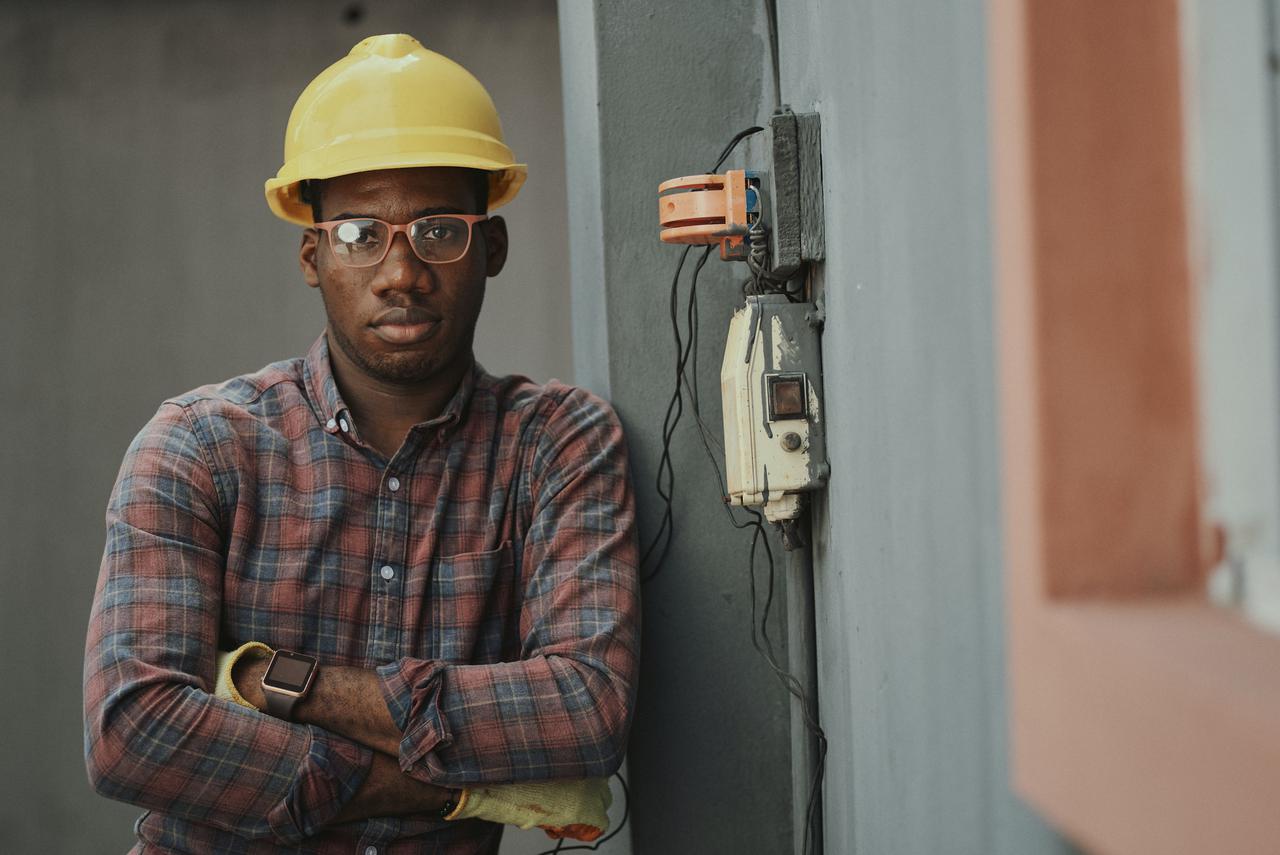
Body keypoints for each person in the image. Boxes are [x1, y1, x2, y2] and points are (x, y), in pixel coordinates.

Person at [83, 34, 639, 854]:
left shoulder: (557, 444)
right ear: (313, 255)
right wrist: (452, 788)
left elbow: (586, 710)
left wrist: (285, 685)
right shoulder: (198, 446)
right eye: (358, 235)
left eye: (439, 231)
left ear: (493, 248)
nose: (402, 271)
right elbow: (133, 730)